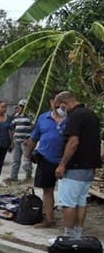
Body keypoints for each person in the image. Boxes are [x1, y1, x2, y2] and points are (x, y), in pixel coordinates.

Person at [53, 91, 102, 239]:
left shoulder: (75, 117)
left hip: (74, 167)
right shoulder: (91, 114)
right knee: (81, 201)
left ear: (64, 104)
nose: (60, 110)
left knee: (69, 203)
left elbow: (73, 142)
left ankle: (68, 235)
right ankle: (78, 233)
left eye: (59, 107)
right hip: (89, 167)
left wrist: (62, 165)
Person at [24, 96, 67, 227]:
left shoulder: (71, 119)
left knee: (68, 193)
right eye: (57, 101)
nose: (59, 105)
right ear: (51, 102)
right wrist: (26, 157)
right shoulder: (43, 118)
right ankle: (49, 219)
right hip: (46, 159)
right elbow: (33, 138)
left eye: (62, 102)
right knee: (47, 190)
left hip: (67, 161)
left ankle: (70, 224)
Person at [7, 99, 34, 184]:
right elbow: (11, 128)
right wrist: (11, 141)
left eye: (23, 106)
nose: (21, 108)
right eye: (20, 106)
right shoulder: (16, 116)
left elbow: (34, 128)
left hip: (25, 141)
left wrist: (29, 139)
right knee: (16, 160)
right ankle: (13, 177)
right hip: (17, 140)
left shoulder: (30, 116)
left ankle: (28, 176)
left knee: (27, 159)